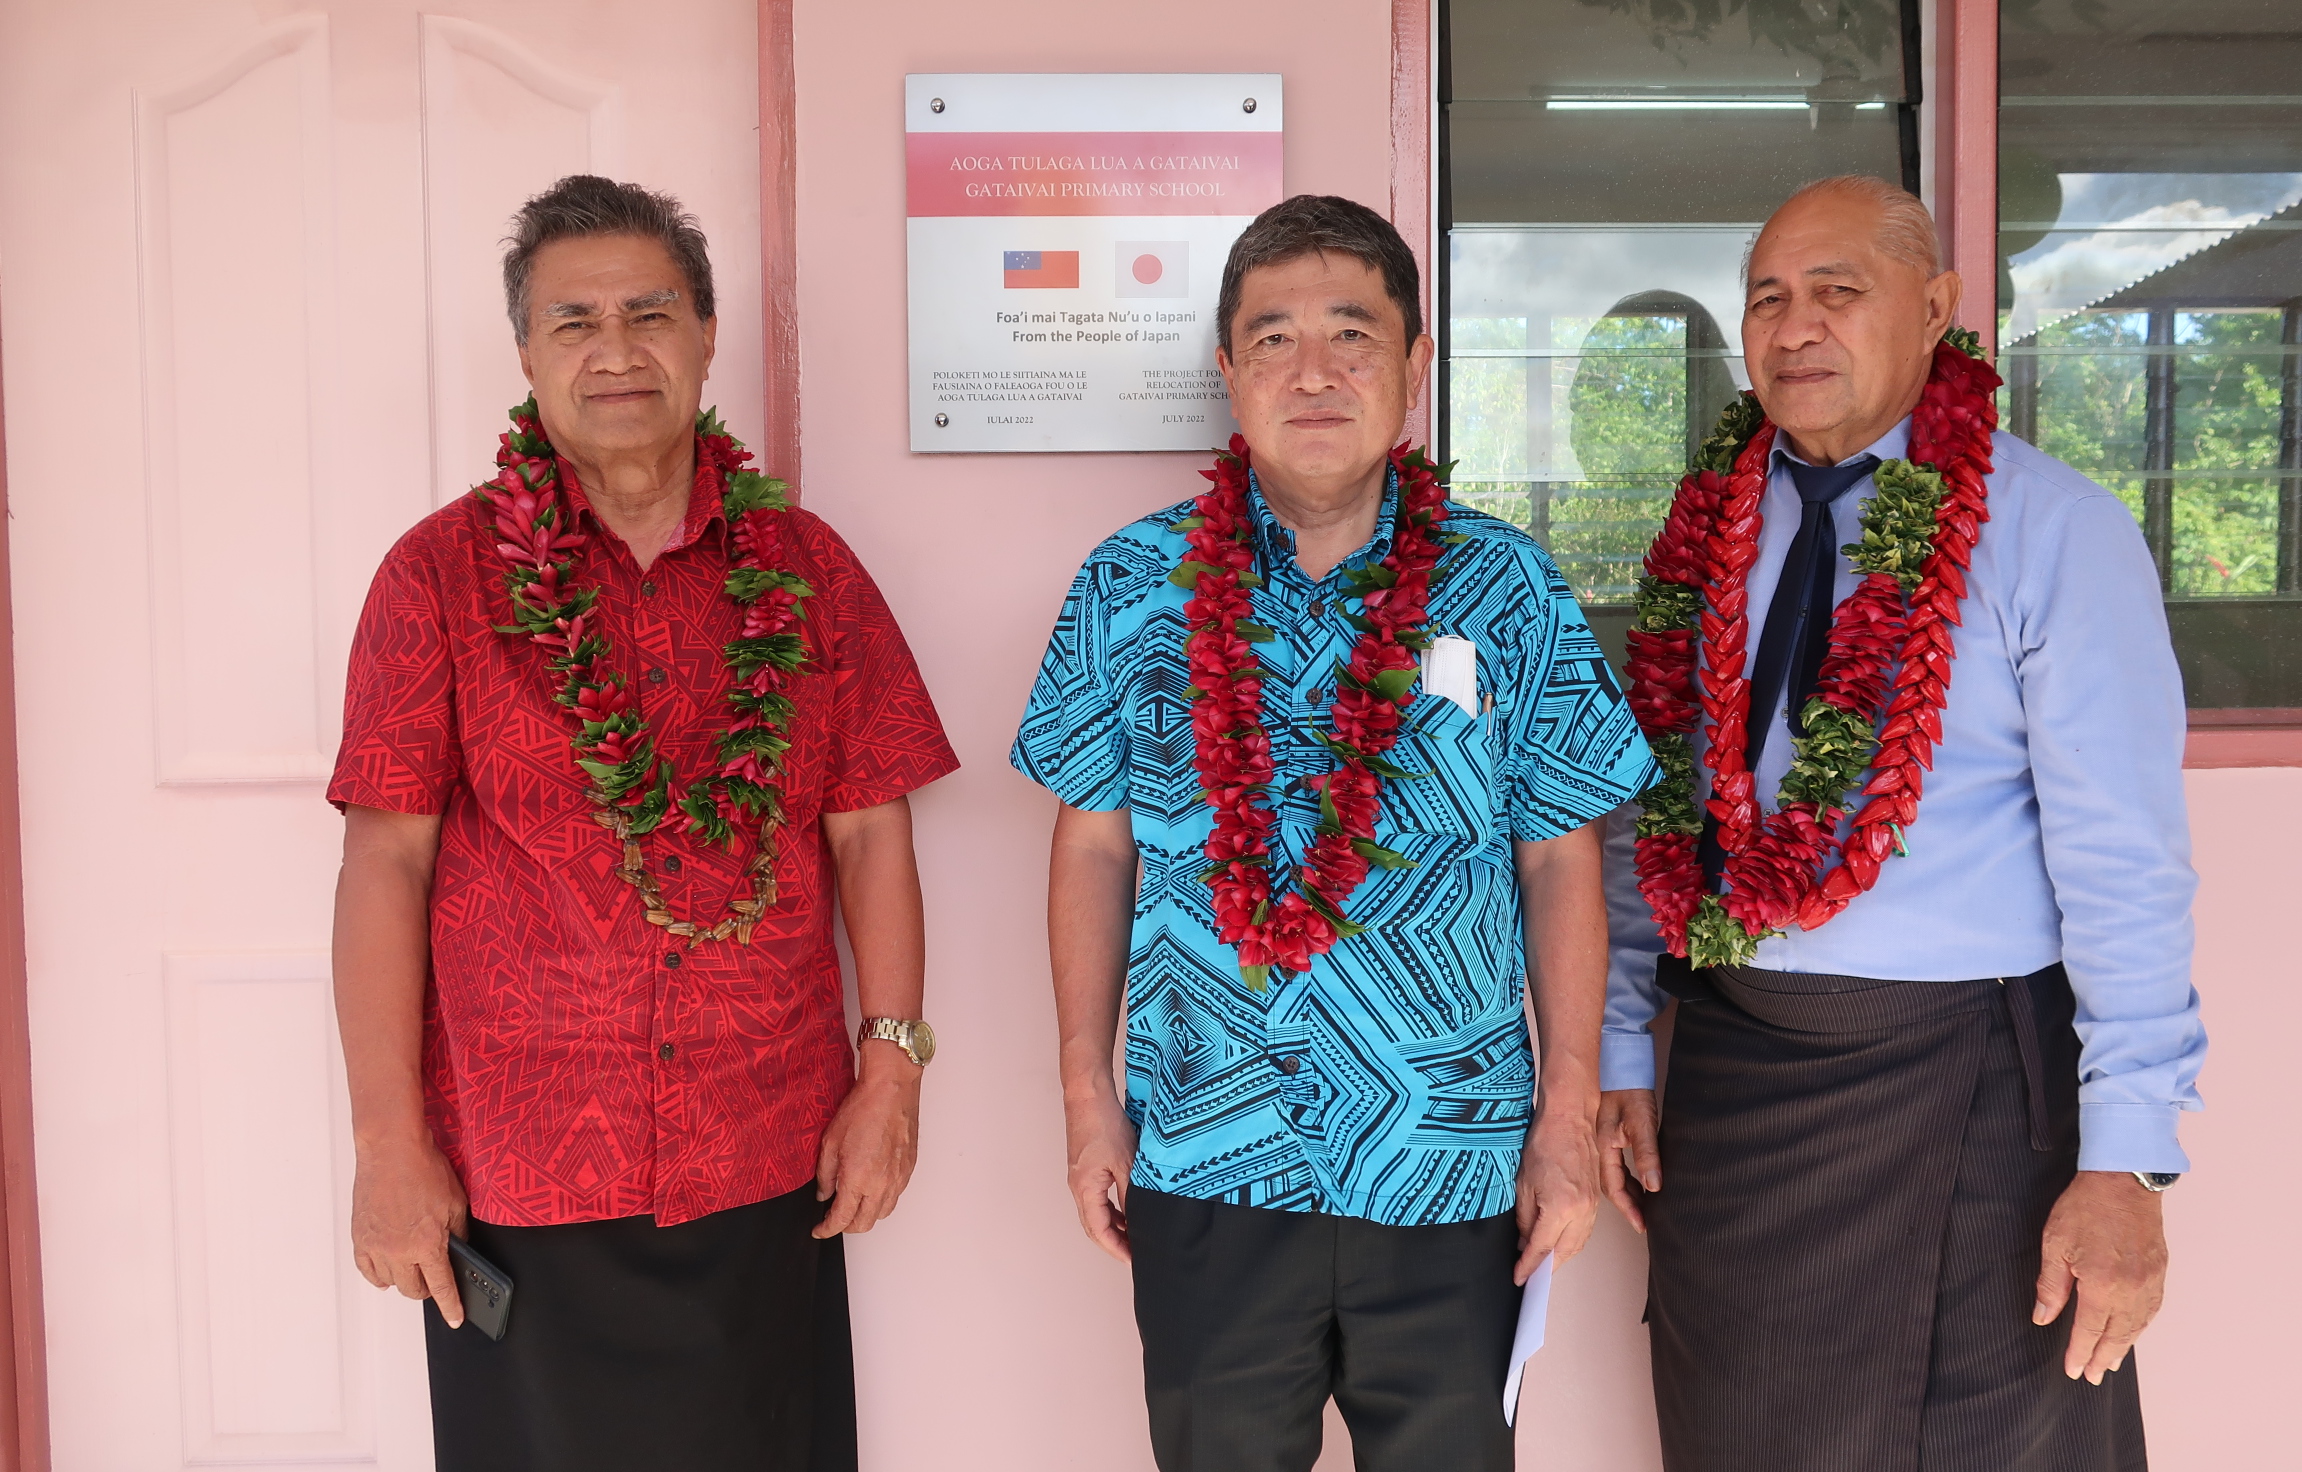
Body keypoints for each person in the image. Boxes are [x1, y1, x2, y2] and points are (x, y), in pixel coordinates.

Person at [1012, 194, 1657, 1472]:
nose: (1314, 372)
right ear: (1228, 375)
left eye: (1352, 334)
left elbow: (1560, 855)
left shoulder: (1505, 584)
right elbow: (1091, 845)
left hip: (1451, 1158)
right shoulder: (1128, 585)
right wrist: (1089, 1092)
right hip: (1207, 1145)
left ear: (1414, 367)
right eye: (1273, 338)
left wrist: (1567, 1116)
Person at [329, 175, 957, 1471]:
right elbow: (385, 863)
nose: (616, 350)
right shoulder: (436, 576)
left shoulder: (809, 567)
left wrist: (889, 1067)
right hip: (519, 1167)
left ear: (708, 335)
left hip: (766, 1150)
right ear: (525, 355)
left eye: (650, 312)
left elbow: (870, 833)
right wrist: (388, 1143)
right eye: (574, 322)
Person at [1597, 174, 2207, 1471]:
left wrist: (2130, 1165)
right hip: (1738, 1086)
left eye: (1838, 291)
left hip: (1977, 1091)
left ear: (1935, 312)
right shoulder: (1706, 532)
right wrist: (1619, 1046)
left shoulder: (2056, 533)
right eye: (1768, 298)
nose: (1795, 327)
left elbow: (2125, 867)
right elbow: (1646, 800)